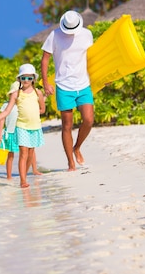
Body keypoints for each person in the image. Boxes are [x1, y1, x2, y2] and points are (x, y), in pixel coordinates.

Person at [40, 10, 94, 171]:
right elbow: (45, 59)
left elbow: (92, 57)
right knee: (67, 125)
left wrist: (104, 77)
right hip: (63, 86)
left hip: (83, 84)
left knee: (89, 120)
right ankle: (70, 163)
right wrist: (45, 83)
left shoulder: (86, 34)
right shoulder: (54, 35)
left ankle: (76, 147)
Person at [0, 64, 46, 188]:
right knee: (23, 153)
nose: (26, 81)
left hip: (35, 127)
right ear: (19, 79)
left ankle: (25, 175)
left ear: (33, 79)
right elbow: (6, 111)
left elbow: (43, 109)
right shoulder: (16, 94)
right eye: (23, 78)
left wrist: (33, 113)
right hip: (21, 126)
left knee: (30, 153)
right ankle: (23, 180)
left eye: (29, 78)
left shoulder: (37, 92)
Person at [0, 81, 41, 180]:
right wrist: (0, 133)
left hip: (23, 130)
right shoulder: (6, 105)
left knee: (30, 151)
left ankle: (34, 169)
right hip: (10, 132)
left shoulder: (24, 104)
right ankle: (9, 176)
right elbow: (2, 119)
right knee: (11, 155)